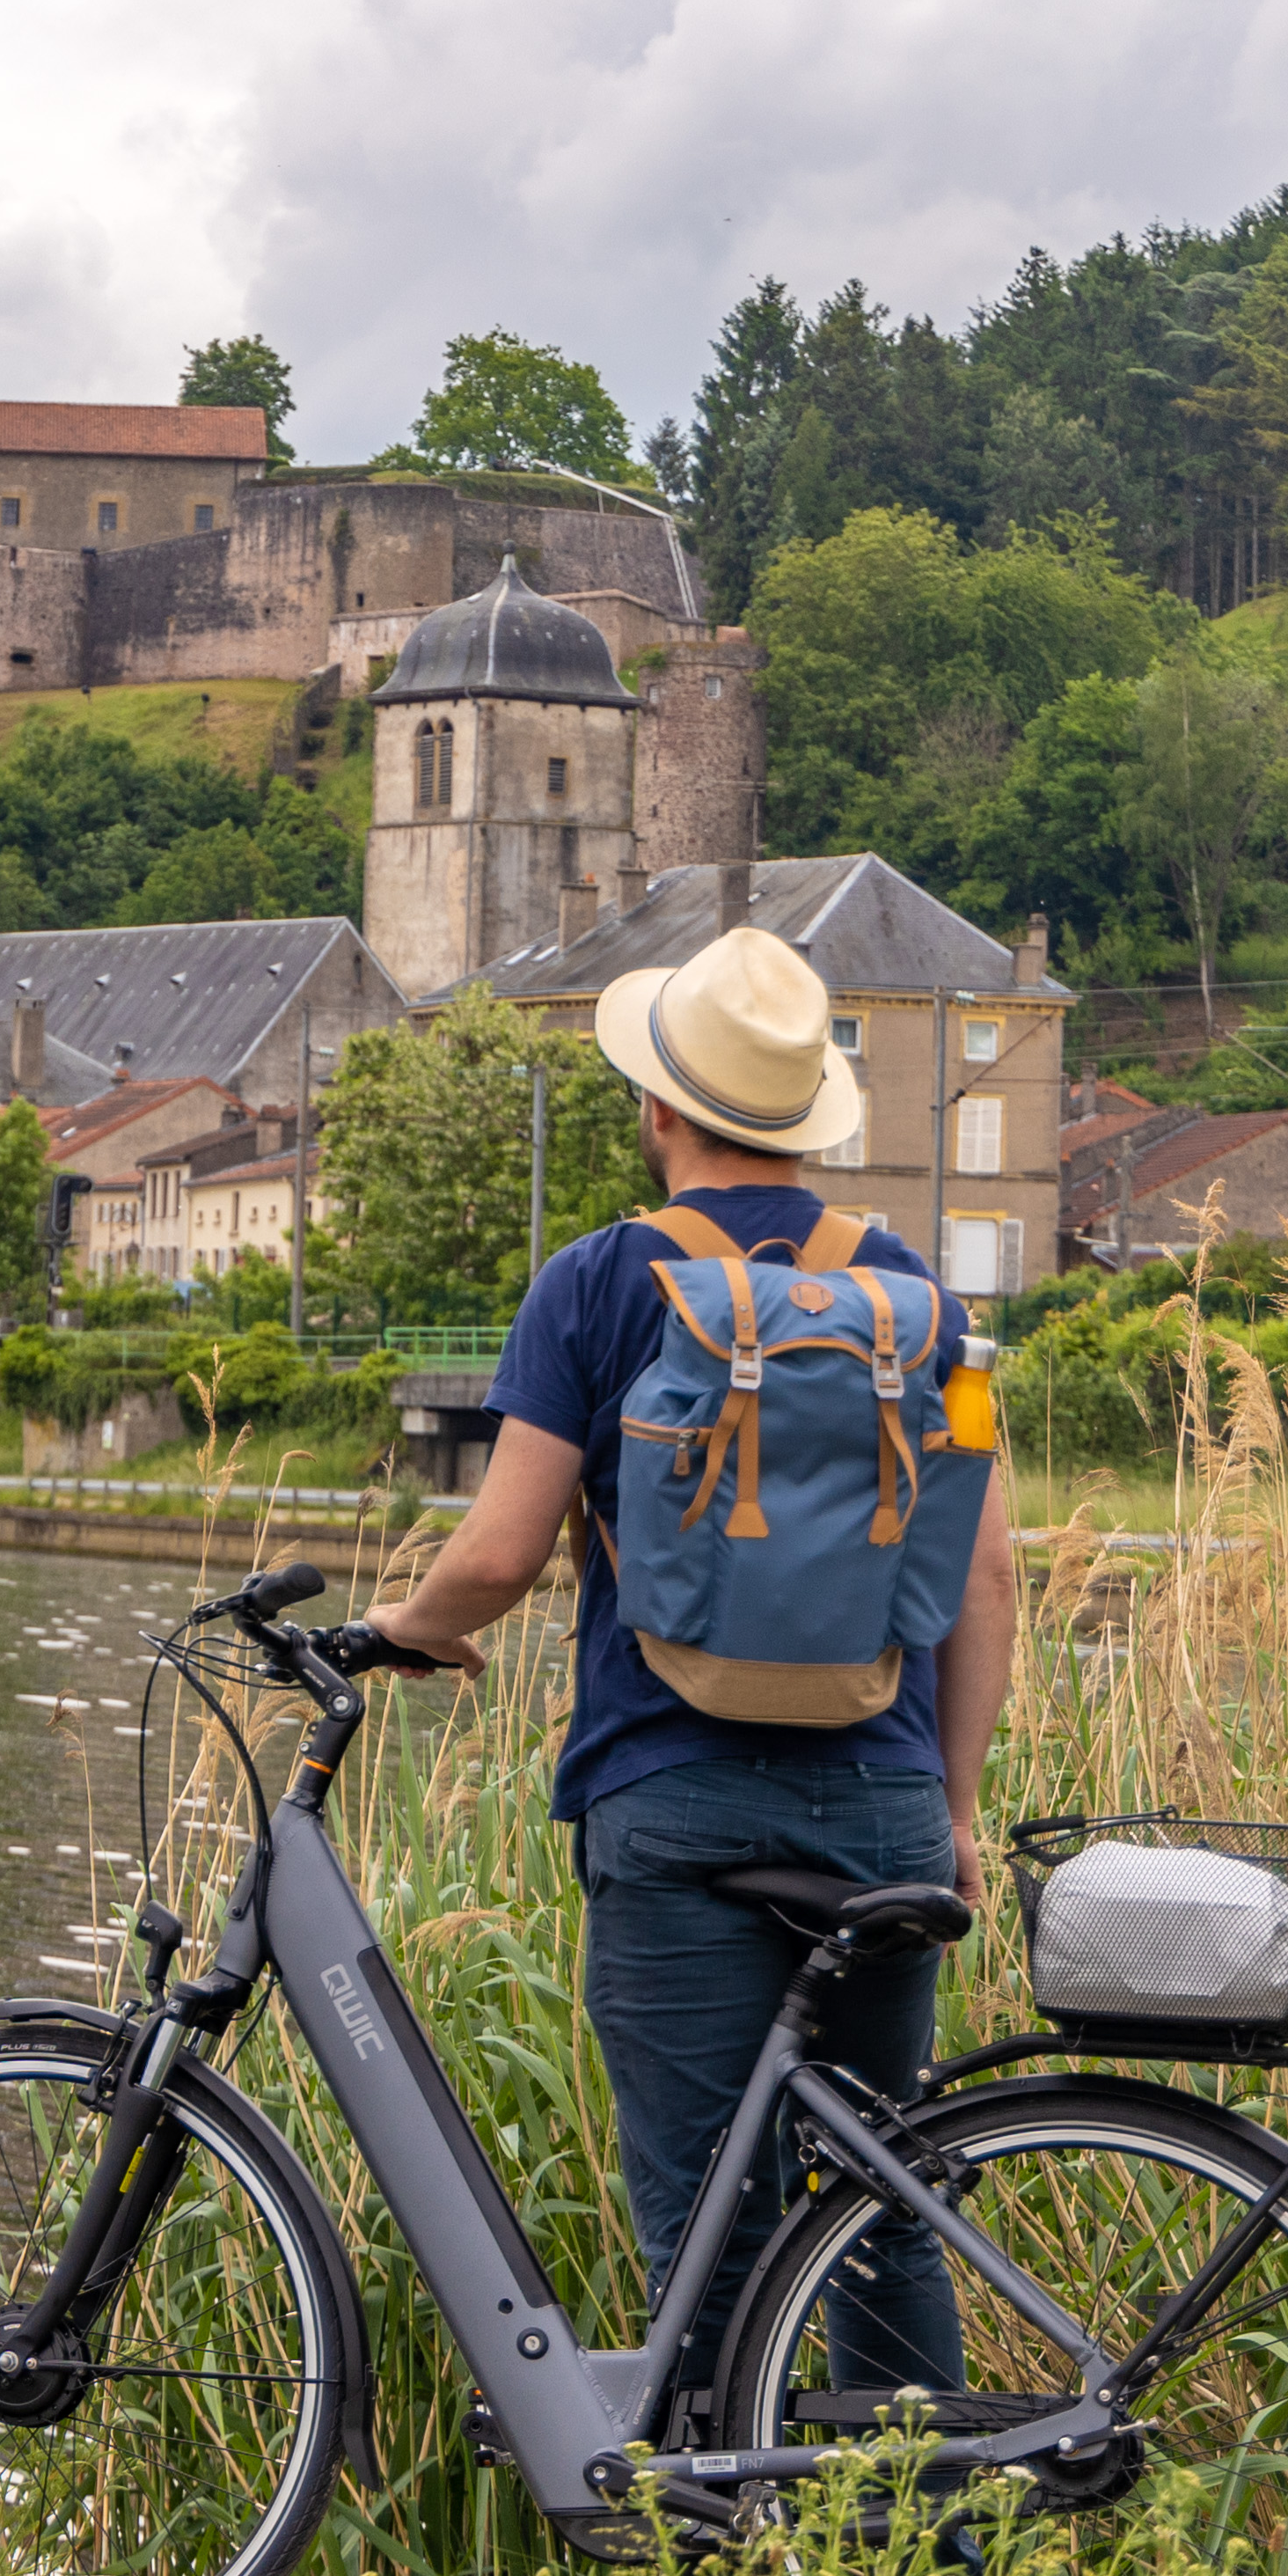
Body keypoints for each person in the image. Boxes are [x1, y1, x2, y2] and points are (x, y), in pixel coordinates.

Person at [360, 921, 1015, 2385]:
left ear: (658, 1109)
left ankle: (723, 2567)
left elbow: (501, 1555)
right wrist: (953, 1810)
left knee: (708, 2236)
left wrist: (404, 1630)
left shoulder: (596, 1286)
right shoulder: (924, 1308)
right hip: (883, 1801)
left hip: (674, 1803)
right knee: (882, 2207)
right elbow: (984, 1568)